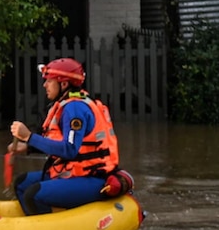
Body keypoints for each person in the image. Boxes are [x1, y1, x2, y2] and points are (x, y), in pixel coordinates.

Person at [8, 57, 132, 216]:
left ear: (64, 84)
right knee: (22, 183)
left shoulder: (75, 109)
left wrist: (29, 137)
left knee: (33, 193)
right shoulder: (67, 104)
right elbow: (63, 144)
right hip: (75, 173)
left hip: (93, 178)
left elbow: (70, 149)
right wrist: (27, 148)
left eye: (49, 81)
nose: (44, 85)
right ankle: (44, 217)